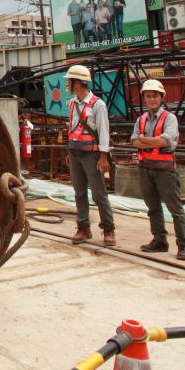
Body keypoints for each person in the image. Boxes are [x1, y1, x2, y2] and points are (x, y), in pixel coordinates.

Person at [133, 79, 185, 261]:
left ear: (161, 97)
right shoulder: (141, 119)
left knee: (175, 208)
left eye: (155, 96)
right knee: (153, 207)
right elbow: (134, 141)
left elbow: (165, 141)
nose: (151, 99)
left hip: (165, 170)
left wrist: (145, 140)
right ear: (144, 98)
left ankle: (183, 245)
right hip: (145, 168)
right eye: (148, 96)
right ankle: (159, 240)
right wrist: (147, 140)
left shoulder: (169, 118)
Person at [65, 64, 115, 246]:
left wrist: (103, 156)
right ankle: (83, 227)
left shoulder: (97, 105)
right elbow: (71, 128)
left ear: (77, 82)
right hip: (75, 151)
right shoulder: (72, 104)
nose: (68, 85)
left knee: (98, 193)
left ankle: (108, 229)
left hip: (92, 155)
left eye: (69, 81)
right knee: (79, 193)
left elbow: (104, 132)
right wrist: (68, 151)